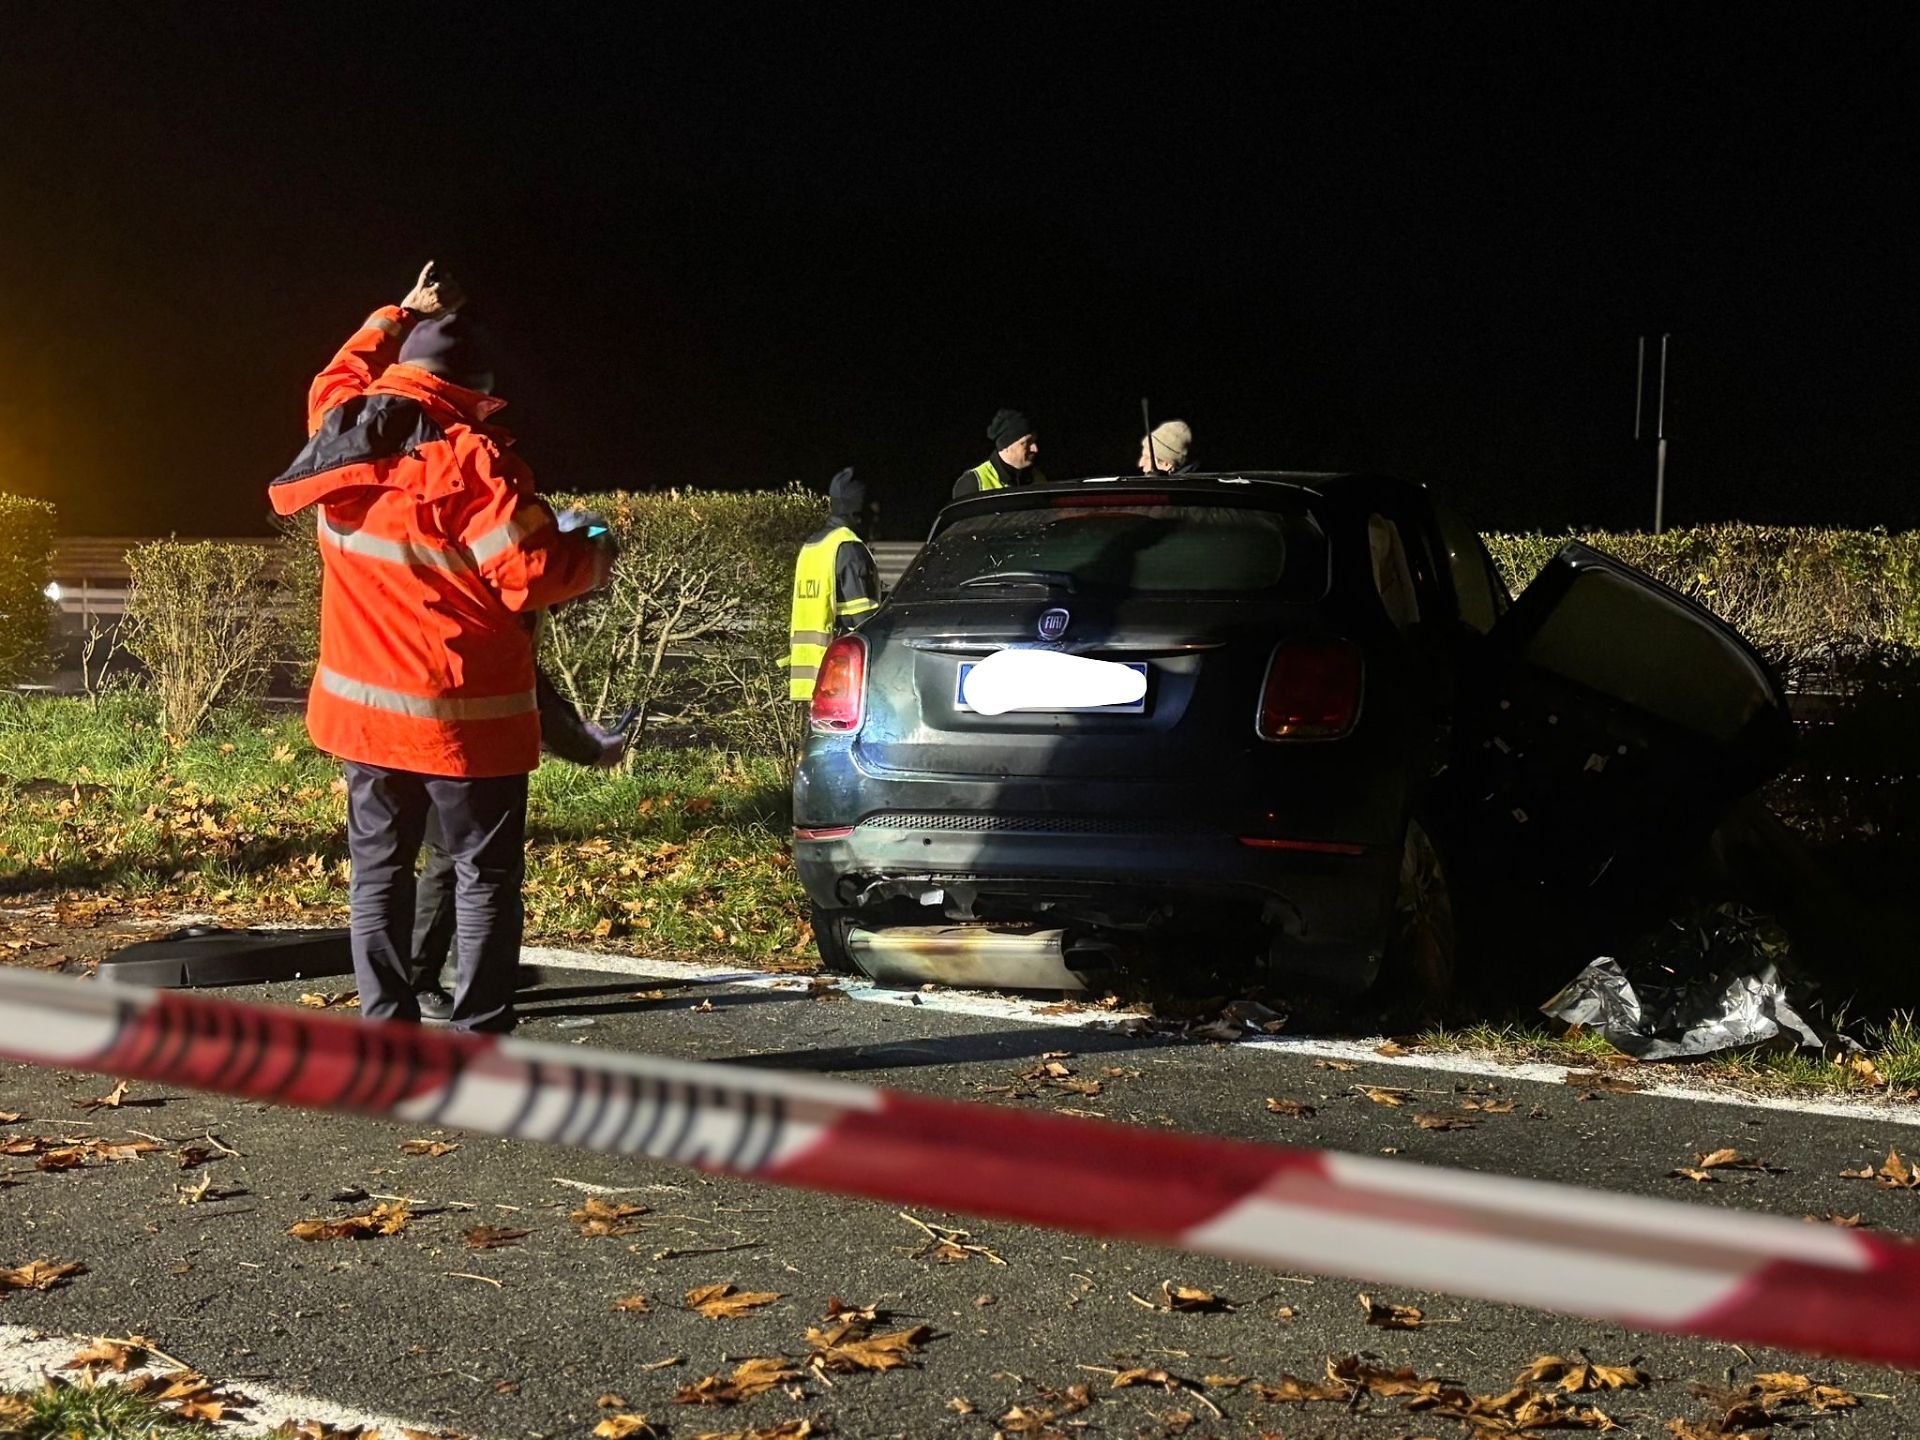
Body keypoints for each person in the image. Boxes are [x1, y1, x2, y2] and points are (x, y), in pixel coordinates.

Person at [269, 262, 614, 1032]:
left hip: (364, 719)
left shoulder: (341, 432)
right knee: (482, 874)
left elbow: (337, 372)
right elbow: (530, 576)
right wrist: (593, 547)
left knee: (379, 874)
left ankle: (387, 1027)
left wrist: (399, 310)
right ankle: (477, 1037)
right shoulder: (476, 465)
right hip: (467, 722)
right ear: (472, 388)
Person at [411, 669, 626, 1020]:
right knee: (480, 867)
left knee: (449, 858)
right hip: (467, 744)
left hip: (408, 732)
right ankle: (445, 984)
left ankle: (450, 971)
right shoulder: (493, 616)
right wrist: (583, 743)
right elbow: (521, 673)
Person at [788, 468, 881, 701]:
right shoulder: (849, 548)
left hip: (809, 675)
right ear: (857, 511)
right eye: (872, 507)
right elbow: (864, 623)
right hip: (840, 679)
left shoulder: (814, 545)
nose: (876, 515)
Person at [951, 408, 1046, 499]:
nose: (1035, 449)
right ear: (1006, 446)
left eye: (1034, 441)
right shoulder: (973, 483)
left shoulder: (1038, 478)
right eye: (1027, 442)